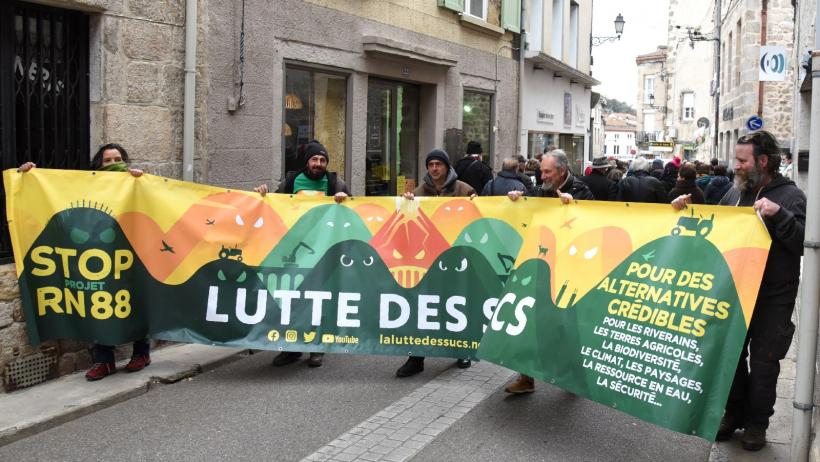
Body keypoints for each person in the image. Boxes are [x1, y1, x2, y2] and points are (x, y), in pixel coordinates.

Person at [672, 130, 806, 451]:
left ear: (763, 161)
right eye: (736, 160)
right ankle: (733, 413)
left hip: (773, 297)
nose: (737, 166)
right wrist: (685, 208)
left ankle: (757, 425)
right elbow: (715, 228)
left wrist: (780, 215)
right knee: (729, 357)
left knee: (764, 363)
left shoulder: (792, 197)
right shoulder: (735, 192)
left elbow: (803, 243)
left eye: (742, 160)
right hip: (734, 291)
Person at [20, 143, 148, 381]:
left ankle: (142, 353)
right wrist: (30, 175)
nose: (113, 164)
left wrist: (140, 179)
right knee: (95, 303)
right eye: (107, 161)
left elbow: (153, 204)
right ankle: (104, 360)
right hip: (95, 254)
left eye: (118, 159)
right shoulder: (87, 185)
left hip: (128, 253)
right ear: (98, 165)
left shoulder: (135, 183)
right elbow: (57, 187)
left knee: (134, 300)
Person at [503, 149, 593, 394]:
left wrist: (574, 208)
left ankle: (573, 378)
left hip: (568, 271)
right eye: (540, 171)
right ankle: (526, 377)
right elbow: (526, 209)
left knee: (566, 327)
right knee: (531, 324)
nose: (541, 176)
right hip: (539, 267)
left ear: (561, 171)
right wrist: (515, 199)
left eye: (546, 171)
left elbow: (594, 226)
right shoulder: (538, 190)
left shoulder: (582, 191)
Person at [255, 140, 349, 368]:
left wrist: (344, 200)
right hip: (295, 251)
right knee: (293, 299)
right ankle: (292, 348)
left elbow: (351, 212)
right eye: (315, 159)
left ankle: (316, 347)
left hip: (323, 250)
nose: (318, 164)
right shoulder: (291, 181)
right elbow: (275, 205)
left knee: (317, 299)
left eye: (323, 160)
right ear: (307, 161)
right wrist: (263, 195)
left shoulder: (335, 182)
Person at [396, 149, 475, 377]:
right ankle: (416, 357)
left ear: (447, 166)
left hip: (455, 258)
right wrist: (407, 203)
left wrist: (476, 204)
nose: (434, 168)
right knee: (423, 306)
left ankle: (462, 350)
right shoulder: (419, 192)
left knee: (457, 304)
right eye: (430, 164)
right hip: (428, 261)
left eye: (438, 164)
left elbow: (478, 216)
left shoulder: (463, 189)